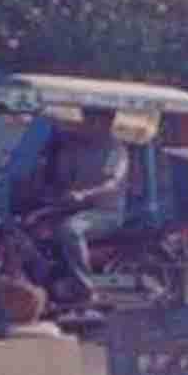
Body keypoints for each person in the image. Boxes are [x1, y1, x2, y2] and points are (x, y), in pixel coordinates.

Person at [36, 107, 129, 304]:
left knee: (70, 230)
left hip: (105, 212)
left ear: (108, 123)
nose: (88, 125)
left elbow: (112, 183)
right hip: (74, 209)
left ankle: (86, 288)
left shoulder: (116, 151)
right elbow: (62, 178)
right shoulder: (77, 148)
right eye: (87, 120)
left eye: (94, 121)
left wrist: (83, 194)